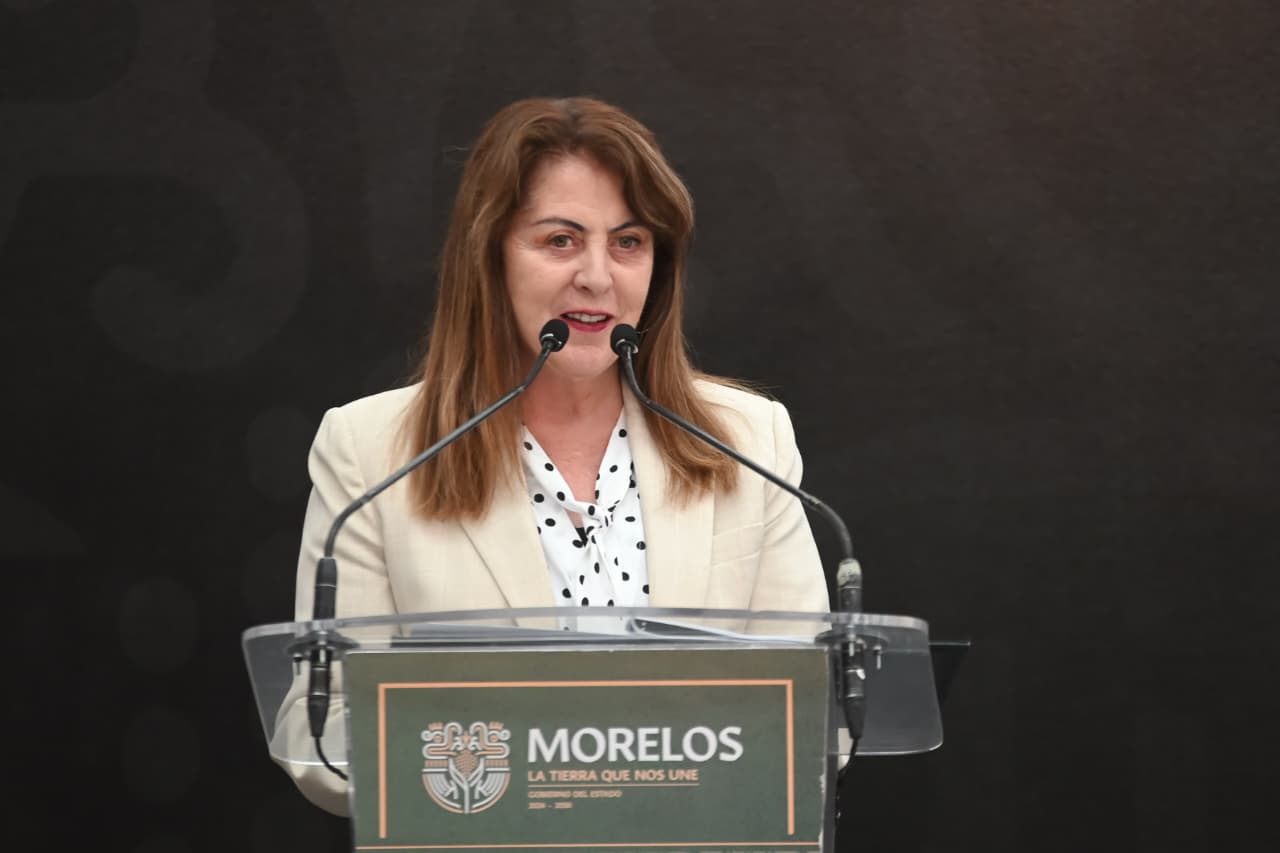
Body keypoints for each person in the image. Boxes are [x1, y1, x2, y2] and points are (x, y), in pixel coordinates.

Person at [279, 96, 830, 814]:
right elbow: (320, 733)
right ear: (490, 255)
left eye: (628, 242)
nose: (598, 277)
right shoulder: (371, 451)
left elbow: (817, 714)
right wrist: (539, 772)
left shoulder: (749, 439)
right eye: (561, 240)